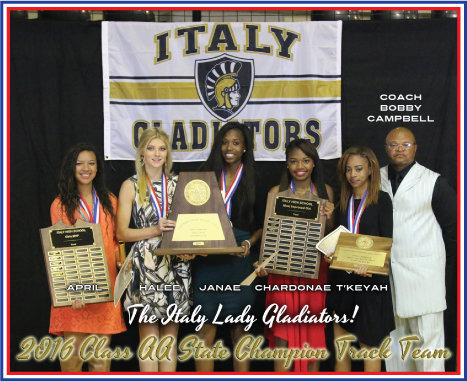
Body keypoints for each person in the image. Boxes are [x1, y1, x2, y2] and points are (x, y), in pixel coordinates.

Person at [381, 127, 456, 372]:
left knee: (427, 345)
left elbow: (454, 229)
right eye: (393, 144)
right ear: (386, 148)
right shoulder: (375, 177)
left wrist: (448, 269)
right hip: (388, 275)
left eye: (405, 144)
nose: (399, 149)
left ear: (415, 148)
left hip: (424, 277)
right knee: (395, 347)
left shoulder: (434, 181)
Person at [255, 139, 335, 372]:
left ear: (314, 164)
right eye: (294, 161)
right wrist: (263, 261)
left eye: (306, 160)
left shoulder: (325, 192)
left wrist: (330, 215)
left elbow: (328, 237)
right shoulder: (275, 193)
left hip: (313, 271)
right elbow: (269, 236)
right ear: (287, 165)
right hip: (281, 272)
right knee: (282, 331)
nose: (300, 166)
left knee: (312, 332)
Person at [117, 128, 192, 372]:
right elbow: (121, 233)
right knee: (149, 339)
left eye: (161, 148)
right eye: (151, 148)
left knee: (170, 339)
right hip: (145, 264)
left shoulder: (179, 184)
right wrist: (154, 230)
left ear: (168, 153)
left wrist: (191, 249)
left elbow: (190, 227)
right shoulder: (130, 185)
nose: (156, 153)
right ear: (141, 153)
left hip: (176, 264)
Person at [192, 121, 263, 372]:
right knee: (204, 332)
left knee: (240, 332)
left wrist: (248, 242)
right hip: (208, 261)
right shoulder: (204, 175)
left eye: (235, 142)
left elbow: (264, 224)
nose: (229, 147)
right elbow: (190, 217)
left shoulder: (257, 178)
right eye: (224, 142)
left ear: (245, 148)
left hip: (240, 262)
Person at [49, 143, 126, 372]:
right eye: (79, 163)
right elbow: (61, 251)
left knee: (100, 362)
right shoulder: (61, 204)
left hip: (106, 287)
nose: (86, 168)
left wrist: (121, 260)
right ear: (71, 168)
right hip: (76, 289)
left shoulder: (110, 201)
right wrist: (74, 290)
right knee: (72, 361)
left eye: (91, 163)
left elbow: (117, 239)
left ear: (97, 168)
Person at [326, 146, 394, 372]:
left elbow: (387, 242)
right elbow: (336, 240)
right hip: (342, 282)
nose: (353, 174)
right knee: (341, 348)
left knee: (369, 348)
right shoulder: (342, 203)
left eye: (358, 169)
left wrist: (373, 266)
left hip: (371, 283)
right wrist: (330, 254)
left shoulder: (382, 201)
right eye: (348, 170)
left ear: (371, 170)